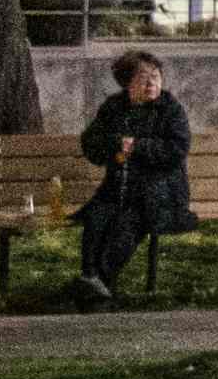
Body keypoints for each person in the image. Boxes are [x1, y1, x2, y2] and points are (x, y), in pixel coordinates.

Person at [67, 48, 196, 308]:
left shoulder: (170, 109)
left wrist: (136, 146)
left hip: (161, 195)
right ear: (127, 83)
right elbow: (91, 144)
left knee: (129, 222)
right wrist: (116, 144)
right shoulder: (114, 107)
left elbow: (177, 149)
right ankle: (91, 279)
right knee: (97, 216)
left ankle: (97, 285)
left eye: (156, 76)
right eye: (143, 78)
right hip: (117, 190)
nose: (151, 83)